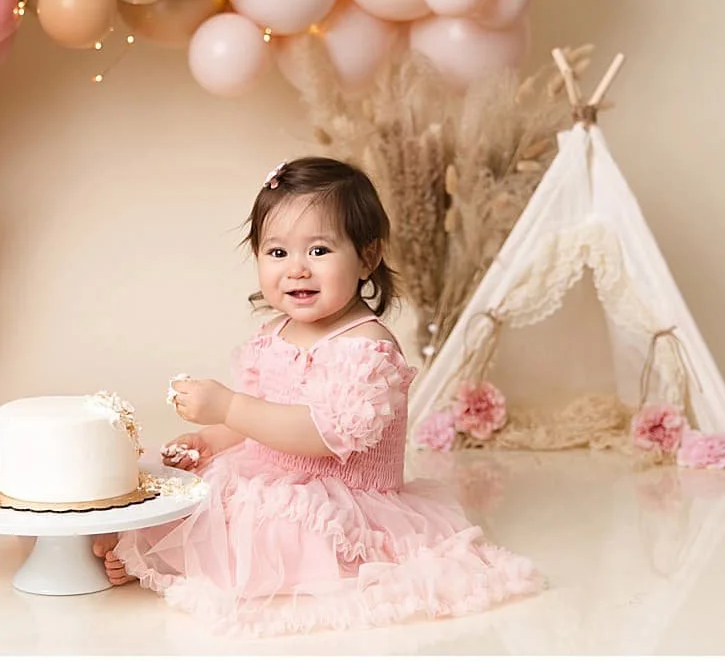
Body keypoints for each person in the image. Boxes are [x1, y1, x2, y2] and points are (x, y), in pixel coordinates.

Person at [94, 156, 544, 636]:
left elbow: (321, 434)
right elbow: (257, 415)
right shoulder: (273, 334)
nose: (297, 271)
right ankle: (136, 548)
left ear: (367, 258)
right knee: (189, 497)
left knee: (274, 529)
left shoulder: (367, 346)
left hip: (342, 502)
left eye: (320, 251)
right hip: (268, 478)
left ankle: (178, 559)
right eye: (278, 253)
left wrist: (229, 406)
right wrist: (213, 436)